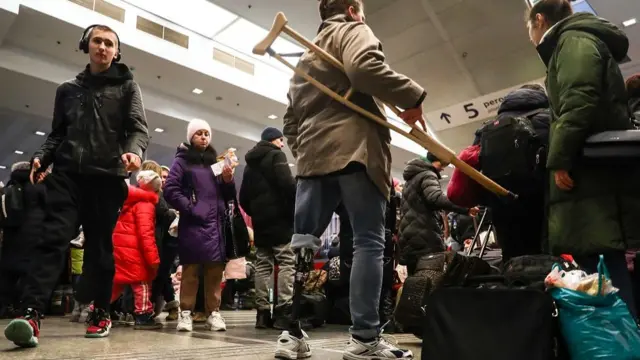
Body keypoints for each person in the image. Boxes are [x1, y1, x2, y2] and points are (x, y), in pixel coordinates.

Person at [276, 0, 428, 358]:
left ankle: (291, 332)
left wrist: (308, 150)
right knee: (369, 243)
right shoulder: (352, 29)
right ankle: (364, 338)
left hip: (314, 162)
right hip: (357, 153)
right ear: (352, 9)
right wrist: (412, 95)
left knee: (303, 244)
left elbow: (290, 121)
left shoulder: (305, 59)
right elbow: (363, 68)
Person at [4, 24, 148, 346]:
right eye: (97, 41)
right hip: (67, 176)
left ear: (116, 51)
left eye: (110, 43)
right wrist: (42, 156)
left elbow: (138, 129)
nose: (103, 47)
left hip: (107, 177)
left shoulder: (128, 88)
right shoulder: (67, 89)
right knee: (51, 238)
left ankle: (100, 311)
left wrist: (134, 153)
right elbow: (57, 133)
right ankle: (30, 312)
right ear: (86, 45)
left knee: (99, 248)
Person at [527, 0, 639, 317]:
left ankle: (622, 340)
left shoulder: (574, 41)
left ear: (539, 19)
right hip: (594, 171)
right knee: (598, 256)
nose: (531, 37)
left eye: (529, 29)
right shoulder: (576, 40)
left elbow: (579, 99)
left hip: (589, 172)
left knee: (602, 255)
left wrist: (559, 157)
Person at [163, 119, 235, 332]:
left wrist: (228, 180)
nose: (203, 137)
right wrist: (191, 208)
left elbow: (228, 195)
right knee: (191, 269)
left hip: (216, 224)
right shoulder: (182, 161)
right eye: (198, 133)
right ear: (191, 137)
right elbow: (170, 190)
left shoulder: (216, 162)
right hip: (193, 224)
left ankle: (214, 312)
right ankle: (186, 313)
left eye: (206, 133)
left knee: (215, 270)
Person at [474, 84, 551, 261]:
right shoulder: (548, 119)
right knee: (546, 257)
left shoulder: (487, 128)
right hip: (542, 199)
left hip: (502, 202)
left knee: (512, 256)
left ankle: (515, 284)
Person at [239, 126, 296, 329]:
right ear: (274, 140)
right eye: (281, 140)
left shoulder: (249, 165)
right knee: (286, 261)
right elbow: (288, 185)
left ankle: (262, 314)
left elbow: (243, 198)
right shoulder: (276, 156)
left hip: (261, 222)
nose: (283, 144)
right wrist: (291, 208)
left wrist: (257, 212)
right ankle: (283, 311)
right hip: (280, 219)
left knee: (263, 264)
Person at [398, 154, 479, 275]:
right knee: (431, 279)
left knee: (415, 282)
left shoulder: (411, 179)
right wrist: (465, 207)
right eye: (442, 165)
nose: (442, 169)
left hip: (409, 237)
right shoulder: (427, 174)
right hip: (424, 236)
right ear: (436, 162)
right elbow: (435, 198)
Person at [110, 170, 161, 330]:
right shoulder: (146, 204)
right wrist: (153, 259)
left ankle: (97, 309)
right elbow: (146, 234)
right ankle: (143, 315)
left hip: (120, 247)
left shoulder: (130, 200)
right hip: (135, 252)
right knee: (142, 284)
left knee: (116, 284)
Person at [0, 162, 47, 318]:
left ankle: (5, 306)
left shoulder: (8, 189)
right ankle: (27, 308)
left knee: (8, 274)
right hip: (33, 236)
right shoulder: (36, 188)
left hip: (10, 237)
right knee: (30, 275)